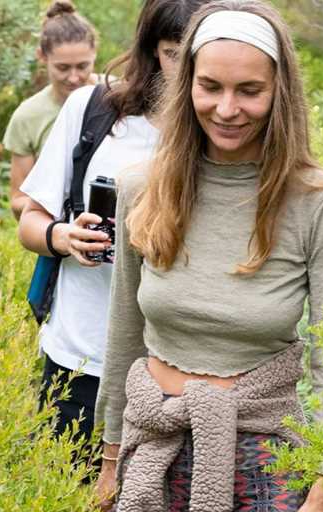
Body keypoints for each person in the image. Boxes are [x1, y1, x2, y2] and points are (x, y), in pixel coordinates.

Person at [94, 0, 323, 512]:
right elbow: (125, 335)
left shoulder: (316, 201)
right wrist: (109, 459)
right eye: (210, 86)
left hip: (266, 463)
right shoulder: (140, 189)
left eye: (250, 90)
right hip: (155, 451)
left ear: (279, 93)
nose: (226, 108)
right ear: (185, 83)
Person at [17, 0, 208, 460]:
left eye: (198, 52)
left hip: (177, 367)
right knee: (71, 503)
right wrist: (64, 237)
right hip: (80, 354)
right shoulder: (94, 110)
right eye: (172, 52)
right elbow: (30, 219)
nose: (186, 68)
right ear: (150, 50)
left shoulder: (222, 129)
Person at [3, 0, 98, 219]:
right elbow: (18, 200)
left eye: (83, 66)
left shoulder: (117, 96)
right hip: (57, 237)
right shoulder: (27, 116)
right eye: (62, 68)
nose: (74, 78)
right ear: (42, 57)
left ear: (95, 53)